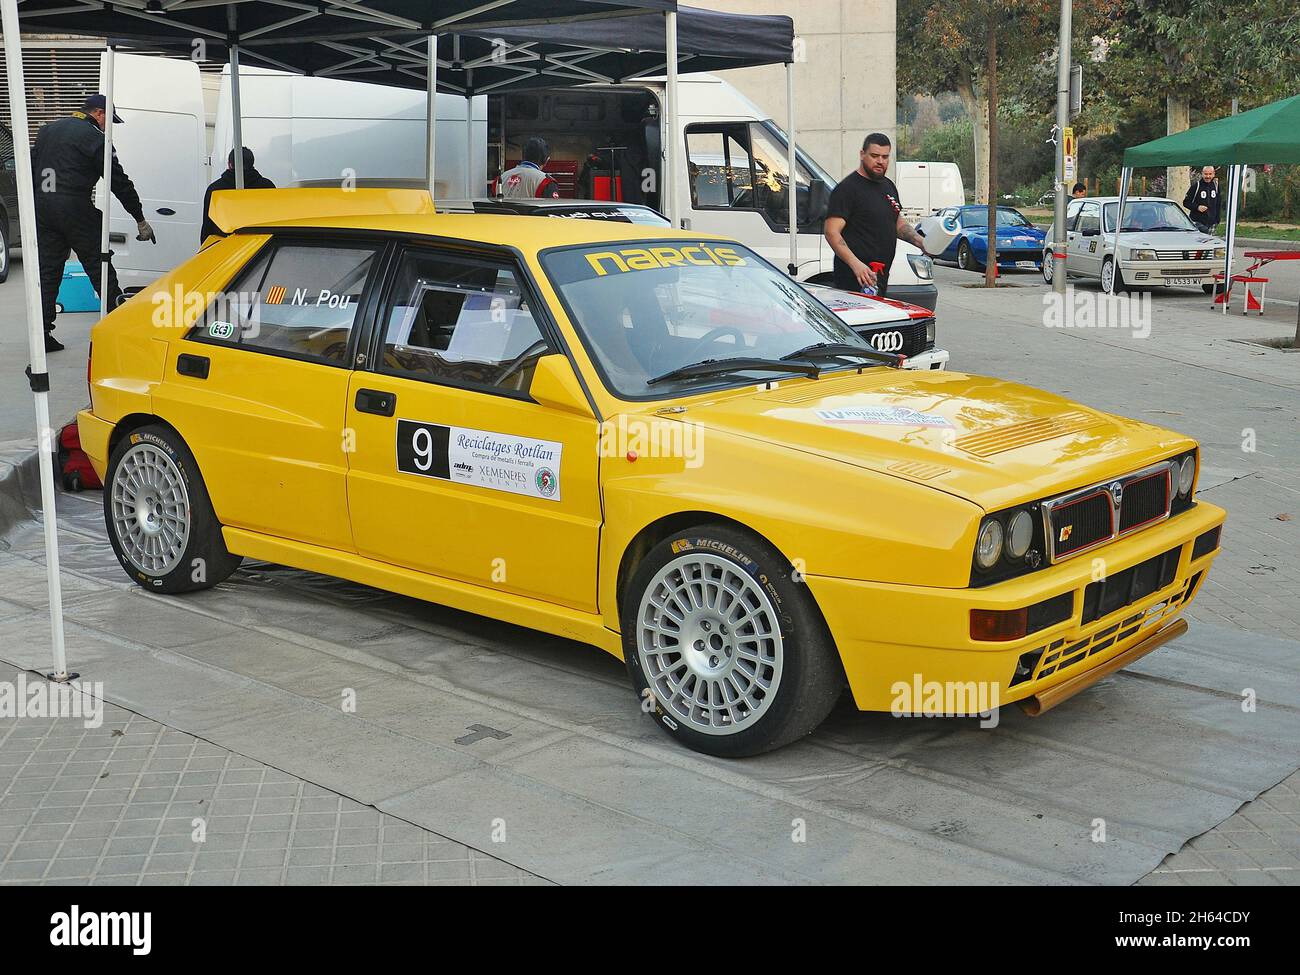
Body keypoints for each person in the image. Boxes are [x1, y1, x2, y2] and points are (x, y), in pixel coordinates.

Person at [31, 94, 154, 352]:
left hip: (43, 208)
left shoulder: (46, 132)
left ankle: (42, 334)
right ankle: (120, 330)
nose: (107, 126)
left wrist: (41, 201)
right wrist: (139, 217)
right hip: (76, 208)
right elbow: (118, 181)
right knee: (101, 268)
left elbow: (32, 167)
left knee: (48, 272)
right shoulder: (95, 138)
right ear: (99, 113)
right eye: (108, 120)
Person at [823, 133, 927, 295]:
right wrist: (856, 265)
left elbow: (897, 222)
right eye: (874, 156)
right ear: (862, 154)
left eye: (885, 157)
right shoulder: (847, 189)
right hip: (854, 280)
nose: (880, 161)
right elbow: (831, 232)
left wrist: (921, 242)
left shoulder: (888, 187)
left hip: (880, 279)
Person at [201, 147, 275, 243]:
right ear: (252, 164)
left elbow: (207, 227)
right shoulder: (267, 187)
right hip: (259, 247)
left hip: (223, 247)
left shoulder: (215, 189)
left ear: (230, 164)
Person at [1182, 166, 1220, 234]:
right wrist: (1197, 207)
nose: (1208, 176)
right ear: (1202, 174)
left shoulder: (1216, 186)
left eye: (1210, 174)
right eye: (1205, 174)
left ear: (1214, 174)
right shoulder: (1196, 186)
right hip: (1198, 222)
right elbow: (1186, 202)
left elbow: (1218, 203)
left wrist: (1217, 220)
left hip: (1211, 223)